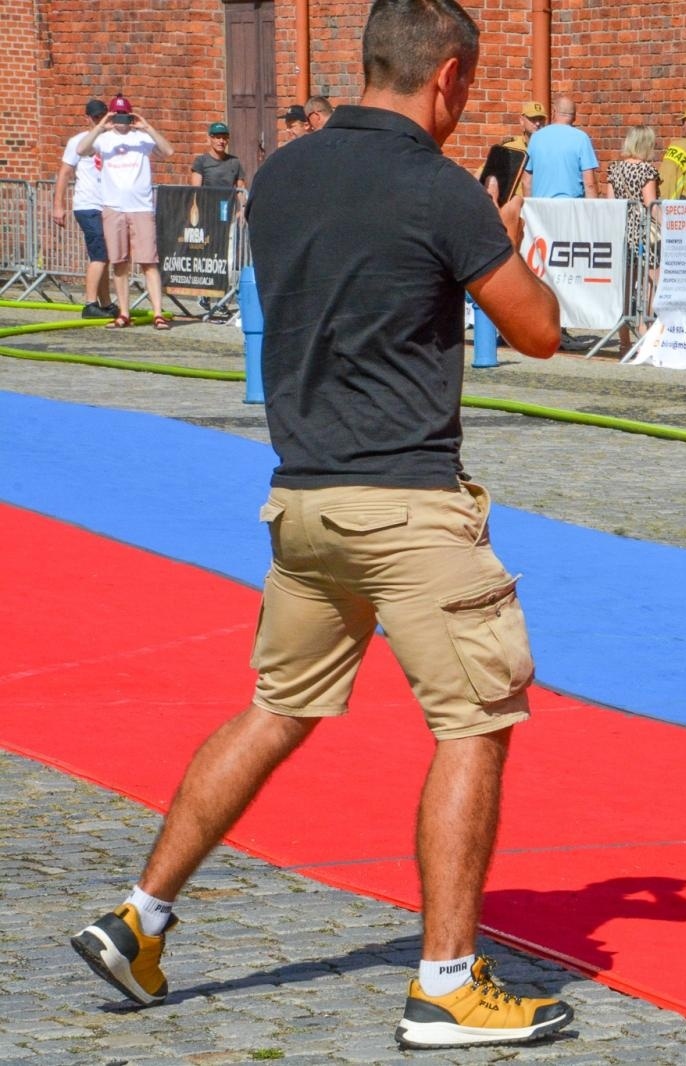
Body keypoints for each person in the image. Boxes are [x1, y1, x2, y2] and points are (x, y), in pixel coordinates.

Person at [69, 0, 575, 1049]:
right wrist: (506, 238)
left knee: (275, 707)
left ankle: (141, 914)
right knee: (474, 721)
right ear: (447, 79)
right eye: (466, 89)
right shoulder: (442, 189)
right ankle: (444, 983)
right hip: (404, 500)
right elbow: (538, 333)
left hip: (302, 494)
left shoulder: (285, 173)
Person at [76, 94, 173, 331]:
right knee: (119, 262)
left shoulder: (141, 138)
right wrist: (101, 126)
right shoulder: (104, 139)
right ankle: (124, 312)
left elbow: (168, 151)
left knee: (149, 261)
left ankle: (158, 313)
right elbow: (81, 149)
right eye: (116, 115)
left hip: (140, 206)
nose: (121, 120)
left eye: (124, 115)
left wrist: (146, 126)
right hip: (114, 206)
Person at [51, 98, 115, 319]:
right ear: (87, 117)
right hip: (87, 205)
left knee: (104, 255)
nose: (99, 120)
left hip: (108, 205)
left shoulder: (113, 141)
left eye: (102, 115)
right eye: (96, 116)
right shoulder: (78, 142)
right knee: (99, 254)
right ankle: (90, 303)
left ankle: (106, 303)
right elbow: (65, 173)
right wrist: (58, 205)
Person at [605, 124, 659, 350]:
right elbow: (651, 204)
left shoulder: (614, 169)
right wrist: (667, 225)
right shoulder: (647, 170)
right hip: (644, 233)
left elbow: (610, 203)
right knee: (651, 280)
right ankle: (644, 327)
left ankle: (624, 341)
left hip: (621, 230)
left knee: (626, 286)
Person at [522, 94, 597, 198]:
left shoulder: (536, 138)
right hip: (571, 208)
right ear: (574, 117)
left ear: (553, 112)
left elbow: (526, 182)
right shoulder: (581, 138)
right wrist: (592, 212)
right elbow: (590, 184)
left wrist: (529, 210)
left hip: (541, 209)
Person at [189, 122, 246, 192]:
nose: (221, 141)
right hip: (207, 202)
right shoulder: (201, 161)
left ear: (228, 140)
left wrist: (244, 202)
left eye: (224, 138)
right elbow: (195, 191)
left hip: (228, 202)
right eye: (218, 138)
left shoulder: (234, 162)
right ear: (209, 139)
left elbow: (241, 191)